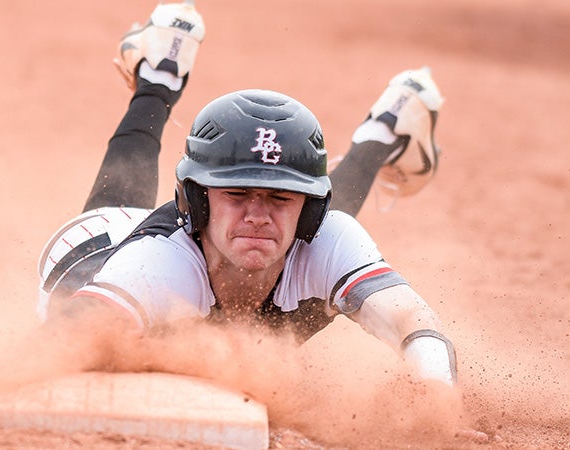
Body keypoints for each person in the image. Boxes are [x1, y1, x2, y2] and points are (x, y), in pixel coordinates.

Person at [37, 1, 456, 387]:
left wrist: (436, 394)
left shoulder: (325, 232)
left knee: (305, 242)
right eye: (236, 193)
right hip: (99, 247)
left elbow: (411, 321)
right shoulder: (154, 265)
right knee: (120, 199)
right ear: (196, 200)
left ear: (312, 211)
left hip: (240, 271)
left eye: (281, 197)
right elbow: (62, 341)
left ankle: (384, 131)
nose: (257, 214)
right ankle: (158, 76)